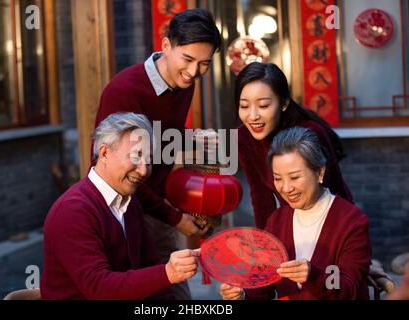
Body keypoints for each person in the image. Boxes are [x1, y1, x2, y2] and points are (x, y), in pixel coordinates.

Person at [94, 8, 221, 299]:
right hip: (120, 212)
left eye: (204, 64)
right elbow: (111, 168)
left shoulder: (184, 84)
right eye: (187, 60)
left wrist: (193, 141)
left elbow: (161, 146)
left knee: (175, 292)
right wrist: (174, 217)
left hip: (155, 205)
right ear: (166, 45)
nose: (193, 72)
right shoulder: (124, 90)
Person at [41, 113, 200, 300]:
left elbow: (151, 269)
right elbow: (99, 287)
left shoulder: (131, 205)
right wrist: (168, 273)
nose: (143, 170)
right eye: (136, 156)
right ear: (104, 153)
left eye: (148, 160)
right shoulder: (72, 211)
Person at [220, 127, 371, 300]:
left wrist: (313, 275)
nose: (286, 188)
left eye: (294, 177)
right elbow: (264, 282)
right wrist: (242, 292)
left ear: (319, 172)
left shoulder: (352, 221)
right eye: (278, 178)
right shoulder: (277, 220)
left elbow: (348, 288)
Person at [236, 62, 353, 229]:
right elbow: (261, 197)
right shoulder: (244, 136)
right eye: (244, 106)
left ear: (283, 104)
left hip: (328, 224)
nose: (253, 116)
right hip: (292, 226)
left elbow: (336, 190)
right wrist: (265, 244)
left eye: (263, 105)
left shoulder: (310, 132)